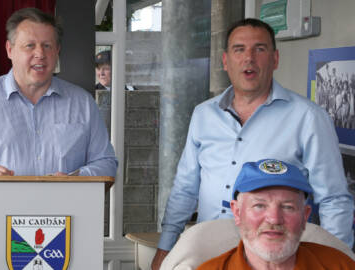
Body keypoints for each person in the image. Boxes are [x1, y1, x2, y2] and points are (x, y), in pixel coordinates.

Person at [151, 18, 354, 269]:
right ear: (225, 61)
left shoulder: (308, 118)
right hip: (208, 246)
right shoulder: (204, 115)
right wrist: (166, 245)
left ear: (275, 59)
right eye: (239, 49)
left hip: (275, 253)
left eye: (260, 49)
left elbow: (334, 199)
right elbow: (185, 187)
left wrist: (337, 257)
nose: (249, 58)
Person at [0, 7, 117, 269]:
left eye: (47, 45)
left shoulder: (83, 103)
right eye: (29, 45)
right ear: (10, 50)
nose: (39, 54)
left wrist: (77, 180)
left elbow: (107, 162)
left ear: (57, 51)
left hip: (68, 233)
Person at [196, 159, 355, 269]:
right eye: (259, 205)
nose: (274, 218)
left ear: (304, 216)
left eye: (288, 207)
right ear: (237, 212)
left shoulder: (340, 265)